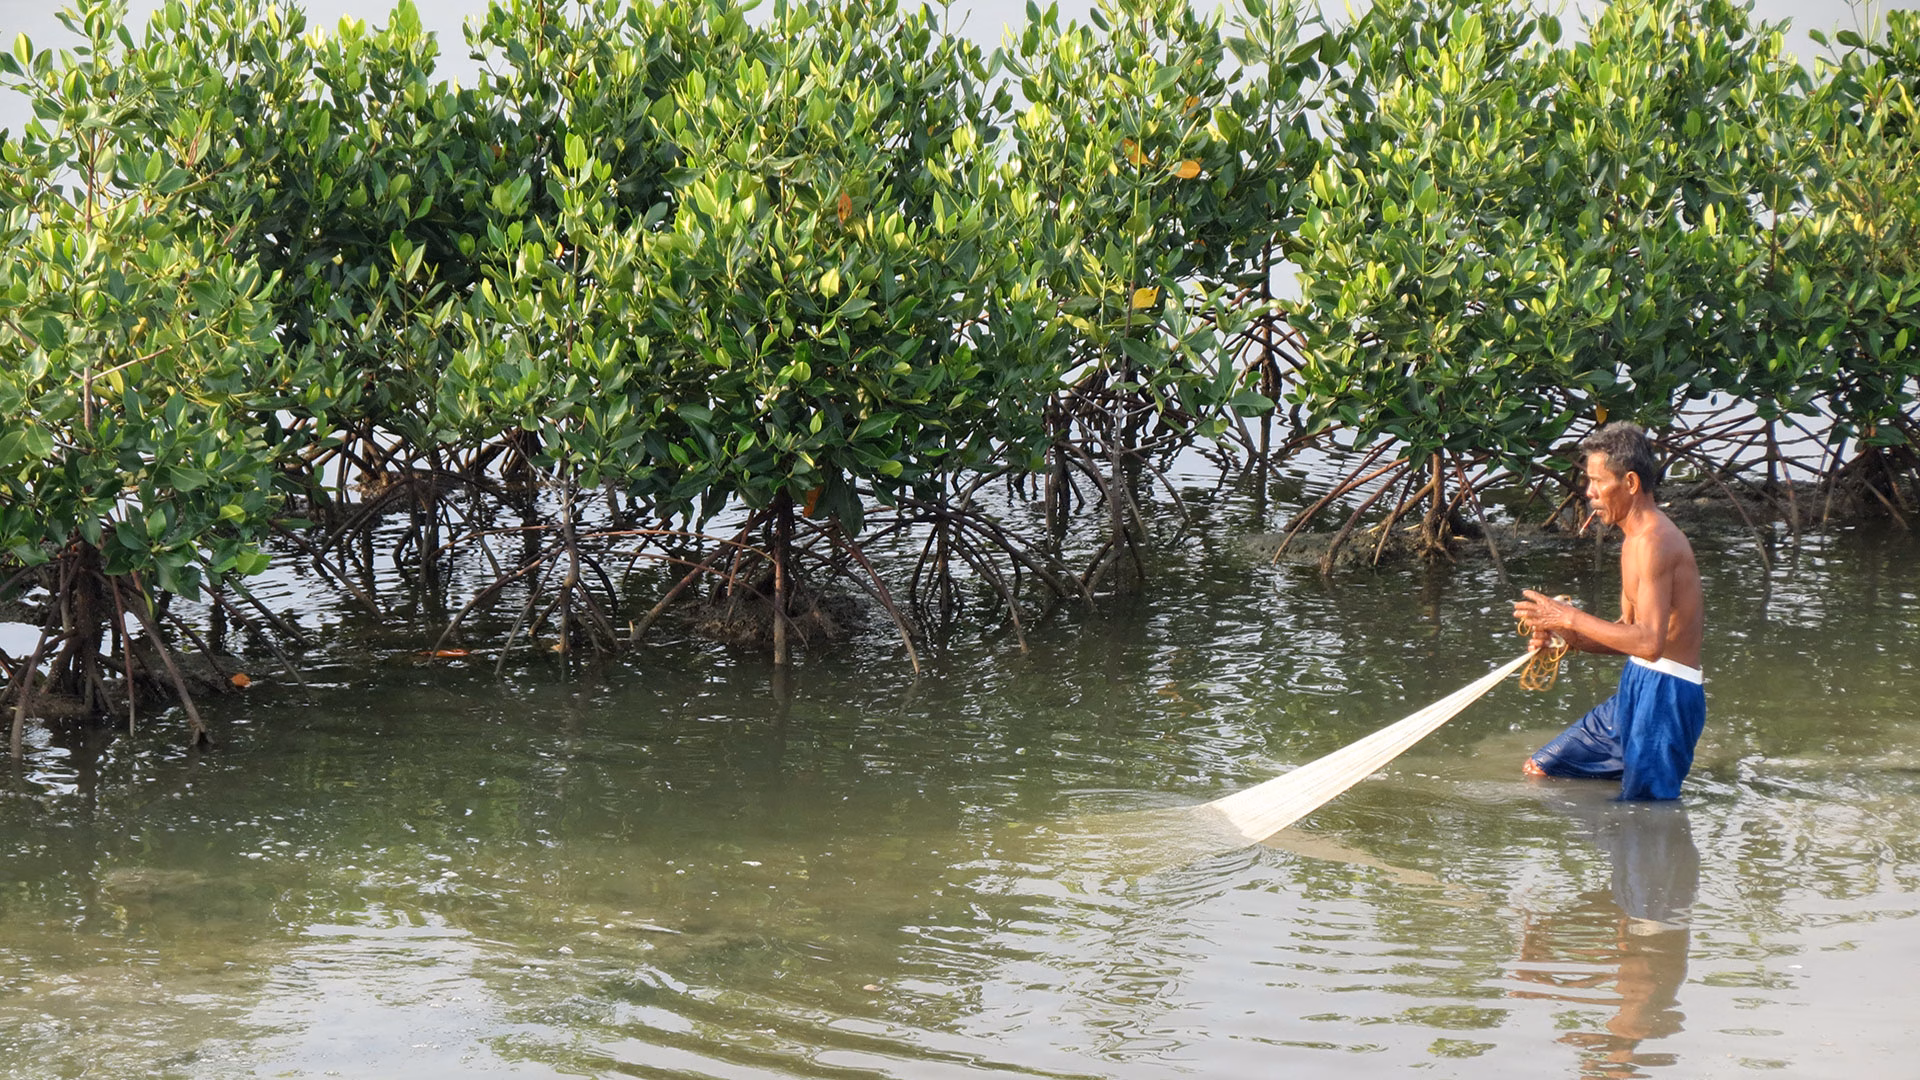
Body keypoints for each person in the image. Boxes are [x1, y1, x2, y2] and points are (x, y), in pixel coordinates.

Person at [1512, 422, 1706, 801]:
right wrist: (1567, 638)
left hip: (1666, 696)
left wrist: (1567, 616)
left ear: (1630, 483)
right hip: (1636, 686)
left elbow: (1649, 643)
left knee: (1647, 814)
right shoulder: (1633, 540)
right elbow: (1628, 635)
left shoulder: (1654, 542)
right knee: (1543, 769)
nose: (1590, 493)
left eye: (1598, 482)